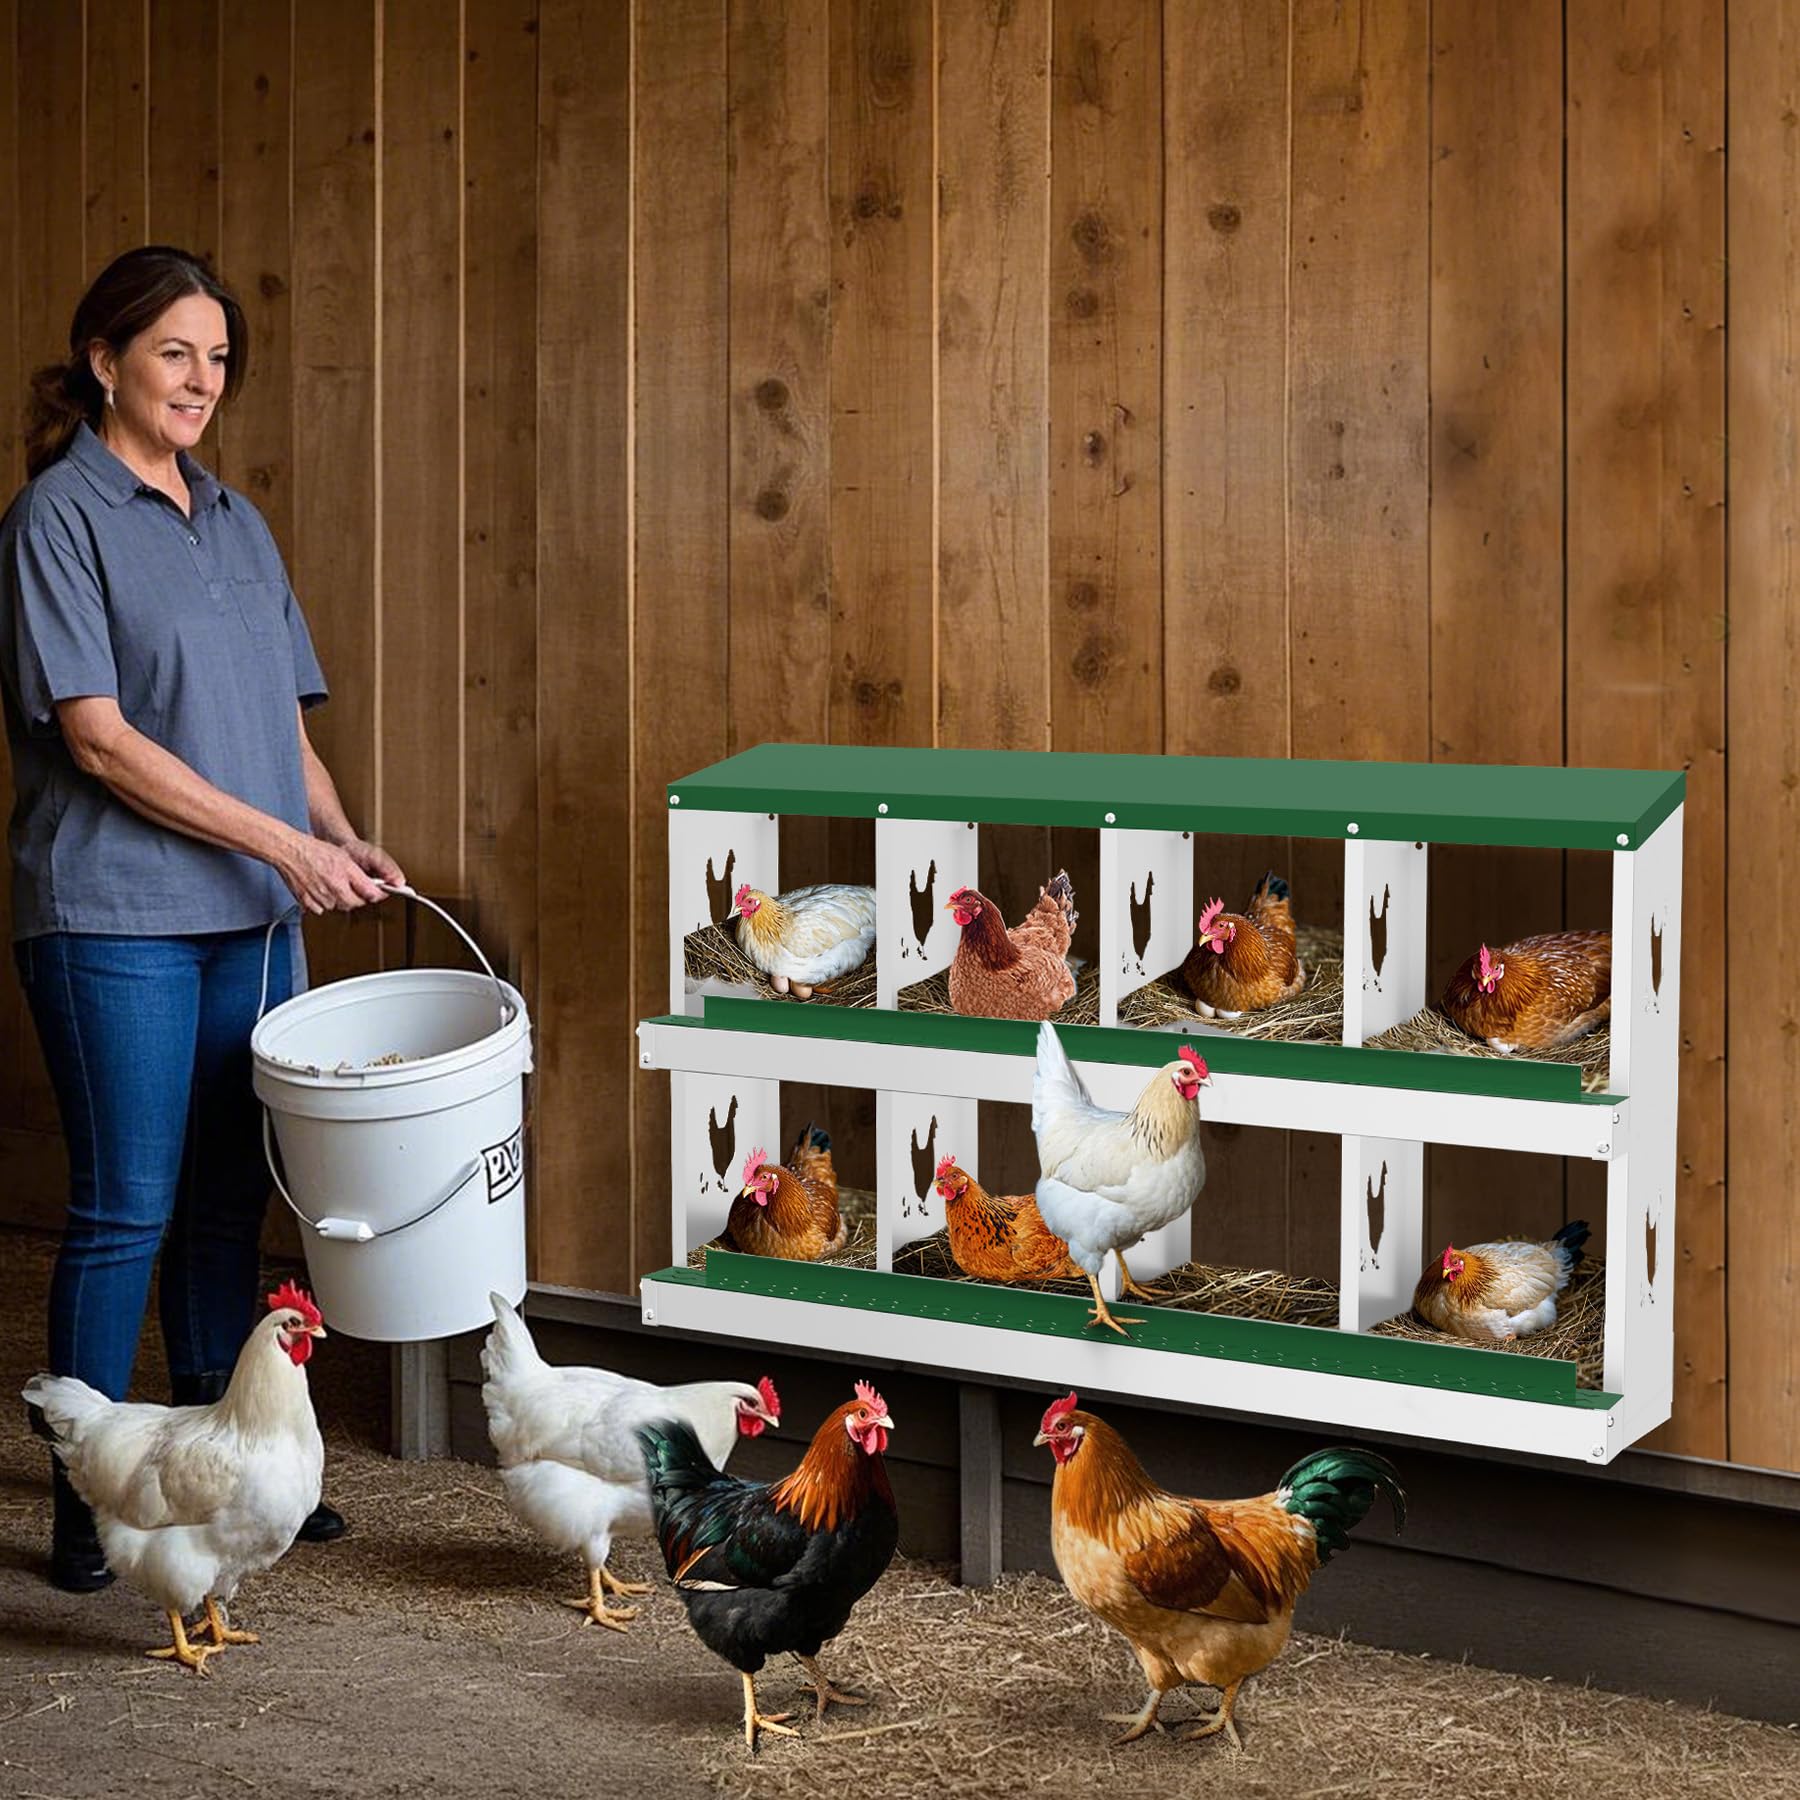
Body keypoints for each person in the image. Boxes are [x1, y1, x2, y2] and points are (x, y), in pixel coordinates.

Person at [0, 245, 402, 1590]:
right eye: (173, 352)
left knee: (229, 1207)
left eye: (217, 358)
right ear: (103, 360)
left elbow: (282, 726)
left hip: (251, 919)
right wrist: (289, 847)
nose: (200, 379)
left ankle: (220, 1484)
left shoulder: (235, 521)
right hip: (112, 916)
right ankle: (87, 1503)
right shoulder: (57, 519)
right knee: (128, 1207)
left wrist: (338, 836)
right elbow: (98, 739)